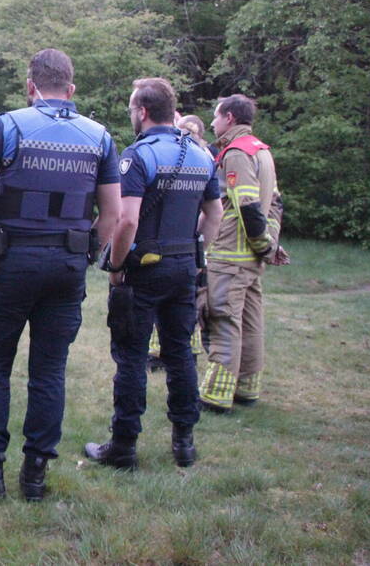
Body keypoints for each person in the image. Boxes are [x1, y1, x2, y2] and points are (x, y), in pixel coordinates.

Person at [0, 48, 121, 501]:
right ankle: (36, 478)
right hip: (66, 268)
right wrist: (85, 256)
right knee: (49, 373)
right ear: (72, 89)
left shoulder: (9, 125)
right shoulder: (99, 136)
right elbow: (114, 215)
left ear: (30, 86)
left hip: (11, 265)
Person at [84, 78, 222, 469]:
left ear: (142, 112)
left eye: (131, 110)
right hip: (184, 268)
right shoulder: (200, 153)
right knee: (180, 353)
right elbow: (215, 214)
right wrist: (197, 254)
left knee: (130, 355)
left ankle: (123, 446)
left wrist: (115, 266)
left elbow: (126, 222)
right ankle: (184, 443)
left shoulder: (137, 156)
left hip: (142, 268)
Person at [199, 94, 285, 413]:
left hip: (230, 257)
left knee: (222, 319)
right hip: (251, 260)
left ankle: (216, 395)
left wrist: (263, 243)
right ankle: (247, 387)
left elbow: (249, 207)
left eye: (216, 116)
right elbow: (275, 203)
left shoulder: (235, 153)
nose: (212, 122)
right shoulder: (262, 152)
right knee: (250, 322)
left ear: (230, 118)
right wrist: (269, 244)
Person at [147, 112, 213, 367]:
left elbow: (212, 211)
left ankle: (174, 352)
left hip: (184, 243)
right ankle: (171, 352)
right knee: (182, 305)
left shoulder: (197, 158)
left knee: (184, 305)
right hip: (188, 247)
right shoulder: (201, 159)